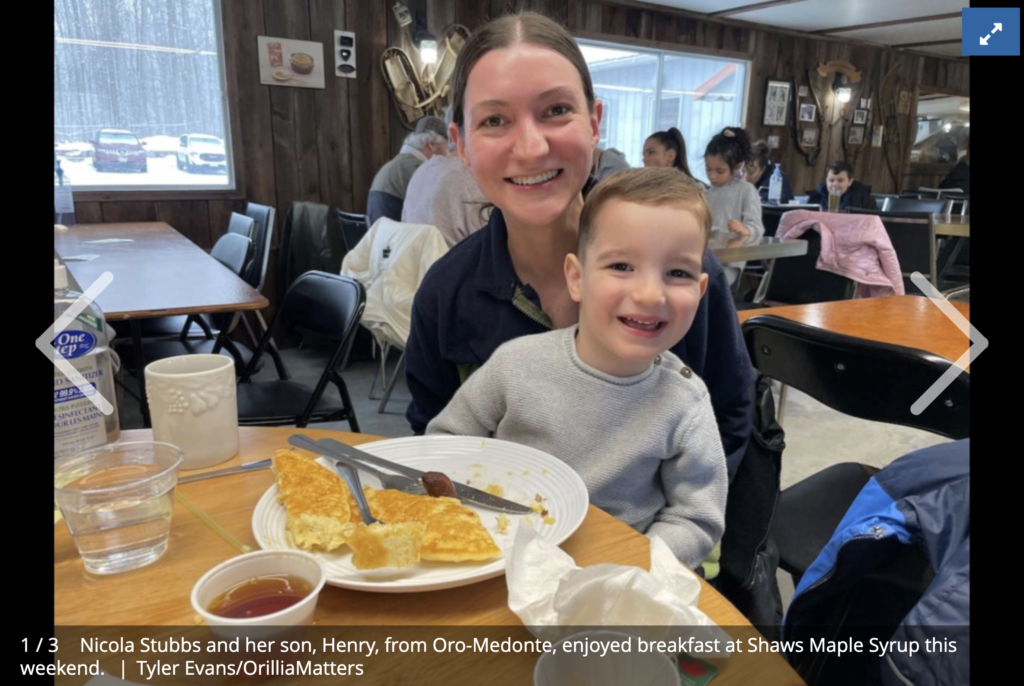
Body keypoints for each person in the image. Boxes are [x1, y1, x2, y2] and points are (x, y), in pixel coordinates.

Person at [404, 11, 756, 482]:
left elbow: (730, 421)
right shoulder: (446, 294)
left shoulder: (675, 276)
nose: (530, 148)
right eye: (494, 120)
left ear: (594, 123)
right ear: (461, 144)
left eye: (555, 111)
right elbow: (439, 452)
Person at [427, 167, 726, 570]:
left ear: (700, 291)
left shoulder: (685, 405)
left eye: (678, 273)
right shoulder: (515, 364)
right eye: (621, 266)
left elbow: (696, 519)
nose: (650, 294)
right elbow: (446, 442)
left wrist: (629, 567)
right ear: (577, 278)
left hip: (617, 584)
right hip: (501, 556)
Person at [402, 108, 491, 248]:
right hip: (459, 267)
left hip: (415, 267)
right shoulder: (472, 179)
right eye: (494, 123)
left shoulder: (421, 171)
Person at [703, 127, 763, 286]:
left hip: (729, 264)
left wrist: (745, 229)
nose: (712, 176)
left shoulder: (746, 190)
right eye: (708, 169)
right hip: (706, 258)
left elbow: (757, 227)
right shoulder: (707, 193)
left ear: (736, 166)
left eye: (719, 171)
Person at [365, 115, 448, 228]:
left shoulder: (398, 164)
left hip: (382, 238)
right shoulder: (419, 169)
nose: (448, 152)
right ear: (432, 145)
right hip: (396, 240)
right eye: (446, 145)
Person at [808, 160, 874, 210]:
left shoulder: (864, 199)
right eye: (831, 180)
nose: (835, 184)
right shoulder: (814, 198)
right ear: (826, 181)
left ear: (850, 182)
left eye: (840, 180)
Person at [744, 139, 794, 204]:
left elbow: (783, 200)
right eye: (743, 171)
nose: (745, 177)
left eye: (751, 172)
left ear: (763, 168)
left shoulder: (776, 179)